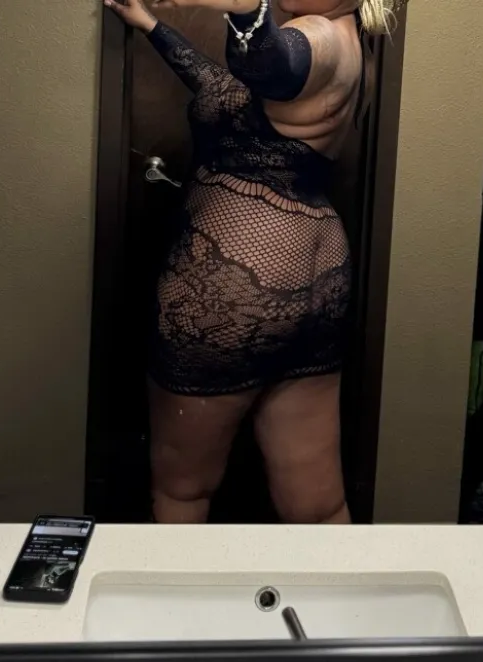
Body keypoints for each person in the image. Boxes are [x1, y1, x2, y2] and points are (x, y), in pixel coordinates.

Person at [103, 0, 404, 524]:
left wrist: (249, 14)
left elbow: (272, 64)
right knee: (319, 506)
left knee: (183, 491)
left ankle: (177, 583)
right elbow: (227, 89)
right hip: (318, 279)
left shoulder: (318, 37)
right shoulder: (354, 43)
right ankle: (337, 583)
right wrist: (151, 25)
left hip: (238, 278)